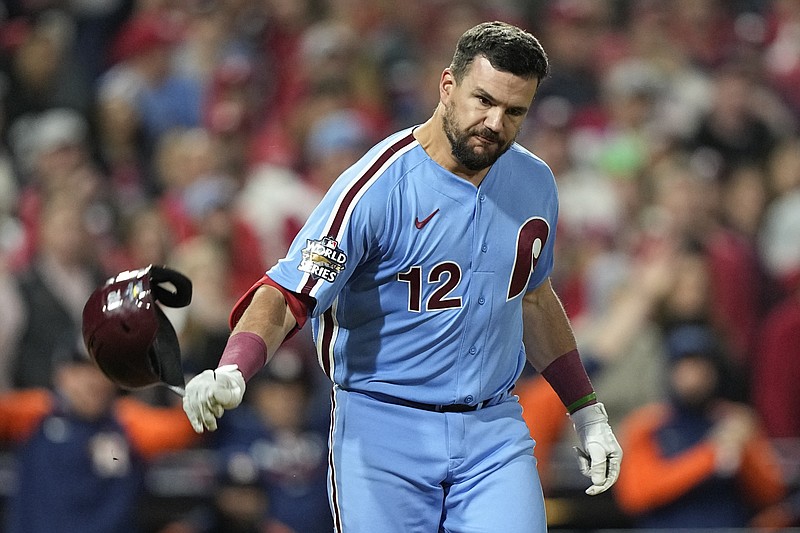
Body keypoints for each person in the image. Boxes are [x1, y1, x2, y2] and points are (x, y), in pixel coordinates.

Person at [182, 21, 622, 533]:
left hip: (492, 429)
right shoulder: (377, 186)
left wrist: (587, 411)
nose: (495, 122)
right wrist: (235, 366)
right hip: (383, 426)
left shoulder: (534, 181)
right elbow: (288, 295)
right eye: (483, 100)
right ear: (447, 86)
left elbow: (532, 299)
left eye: (514, 111)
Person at [0, 351, 199, 533]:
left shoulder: (128, 422)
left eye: (100, 370)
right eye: (81, 370)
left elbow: (188, 425)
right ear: (61, 375)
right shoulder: (36, 412)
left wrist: (199, 393)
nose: (92, 381)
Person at [613, 324, 787, 528]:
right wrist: (711, 454)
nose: (693, 377)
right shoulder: (646, 424)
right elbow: (635, 495)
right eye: (684, 367)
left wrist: (745, 449)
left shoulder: (735, 421)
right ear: (669, 371)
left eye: (700, 367)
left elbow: (770, 494)